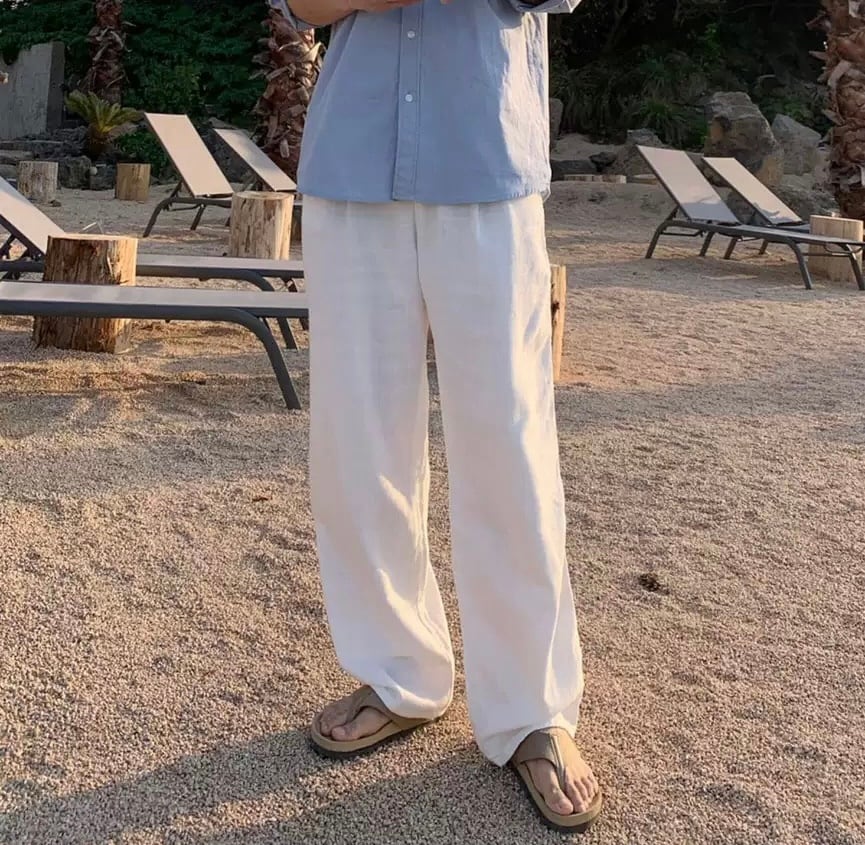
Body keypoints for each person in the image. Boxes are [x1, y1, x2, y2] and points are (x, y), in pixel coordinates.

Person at [275, 0, 602, 832]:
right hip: (352, 168)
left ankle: (530, 708)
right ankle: (398, 673)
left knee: (508, 441)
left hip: (485, 167)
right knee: (358, 443)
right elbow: (302, 6)